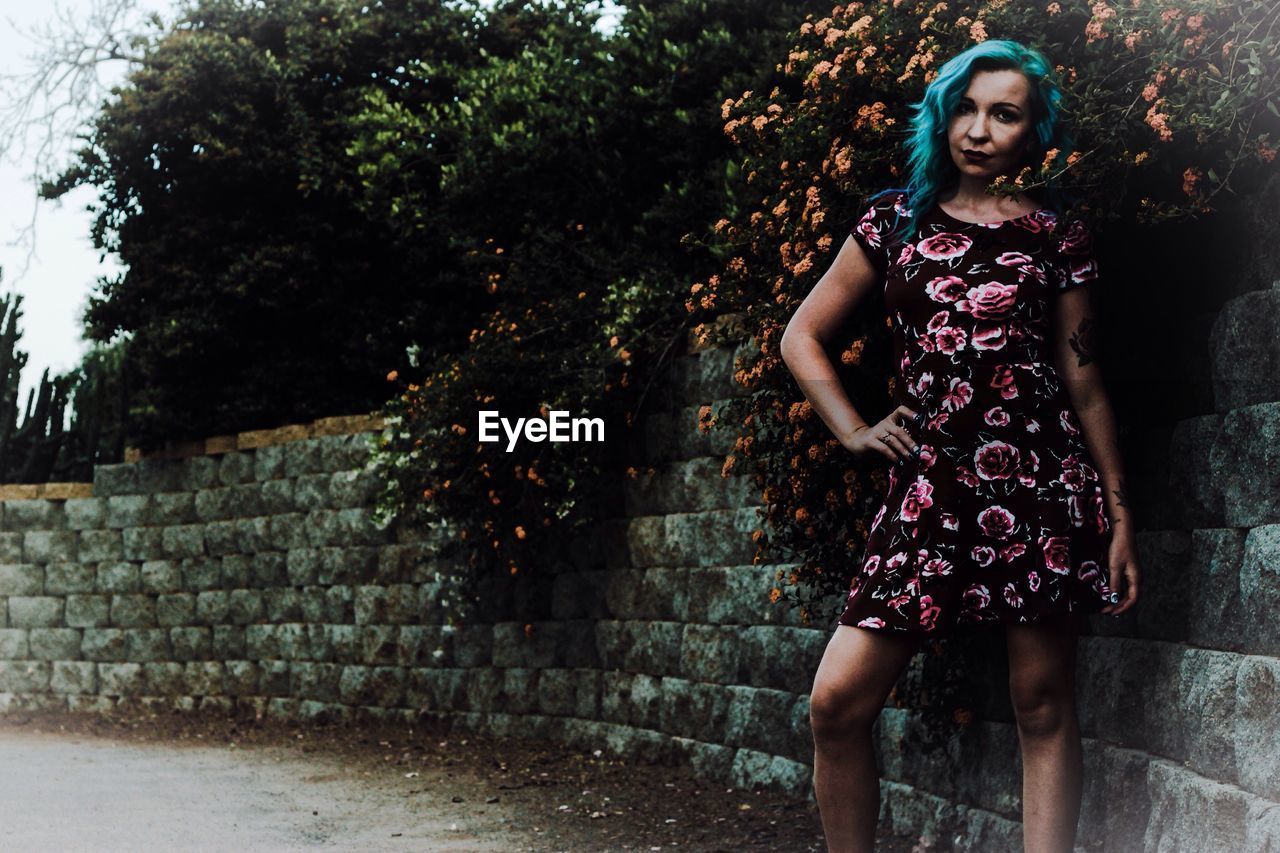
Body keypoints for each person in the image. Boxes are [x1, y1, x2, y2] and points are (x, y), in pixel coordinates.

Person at [778, 39, 1142, 853]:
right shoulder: (893, 218)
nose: (978, 129)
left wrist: (1119, 518)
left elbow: (1084, 381)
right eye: (966, 109)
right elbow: (802, 335)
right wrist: (856, 429)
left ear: (1033, 133)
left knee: (1042, 703)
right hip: (929, 488)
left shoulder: (1057, 235)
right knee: (835, 703)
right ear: (944, 116)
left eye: (1004, 113)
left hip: (1038, 486)